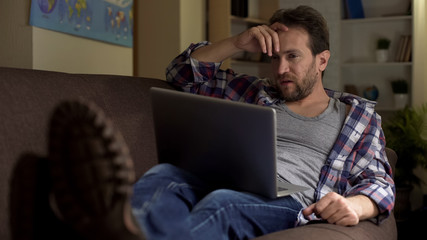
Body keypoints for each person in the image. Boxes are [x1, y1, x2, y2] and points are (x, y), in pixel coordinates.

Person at [10, 5, 394, 240]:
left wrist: (356, 207)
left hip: (290, 200)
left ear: (322, 60)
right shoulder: (254, 91)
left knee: (223, 205)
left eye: (293, 57)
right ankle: (121, 226)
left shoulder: (355, 117)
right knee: (165, 176)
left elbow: (379, 182)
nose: (281, 69)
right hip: (223, 175)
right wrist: (236, 43)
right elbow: (182, 73)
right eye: (275, 58)